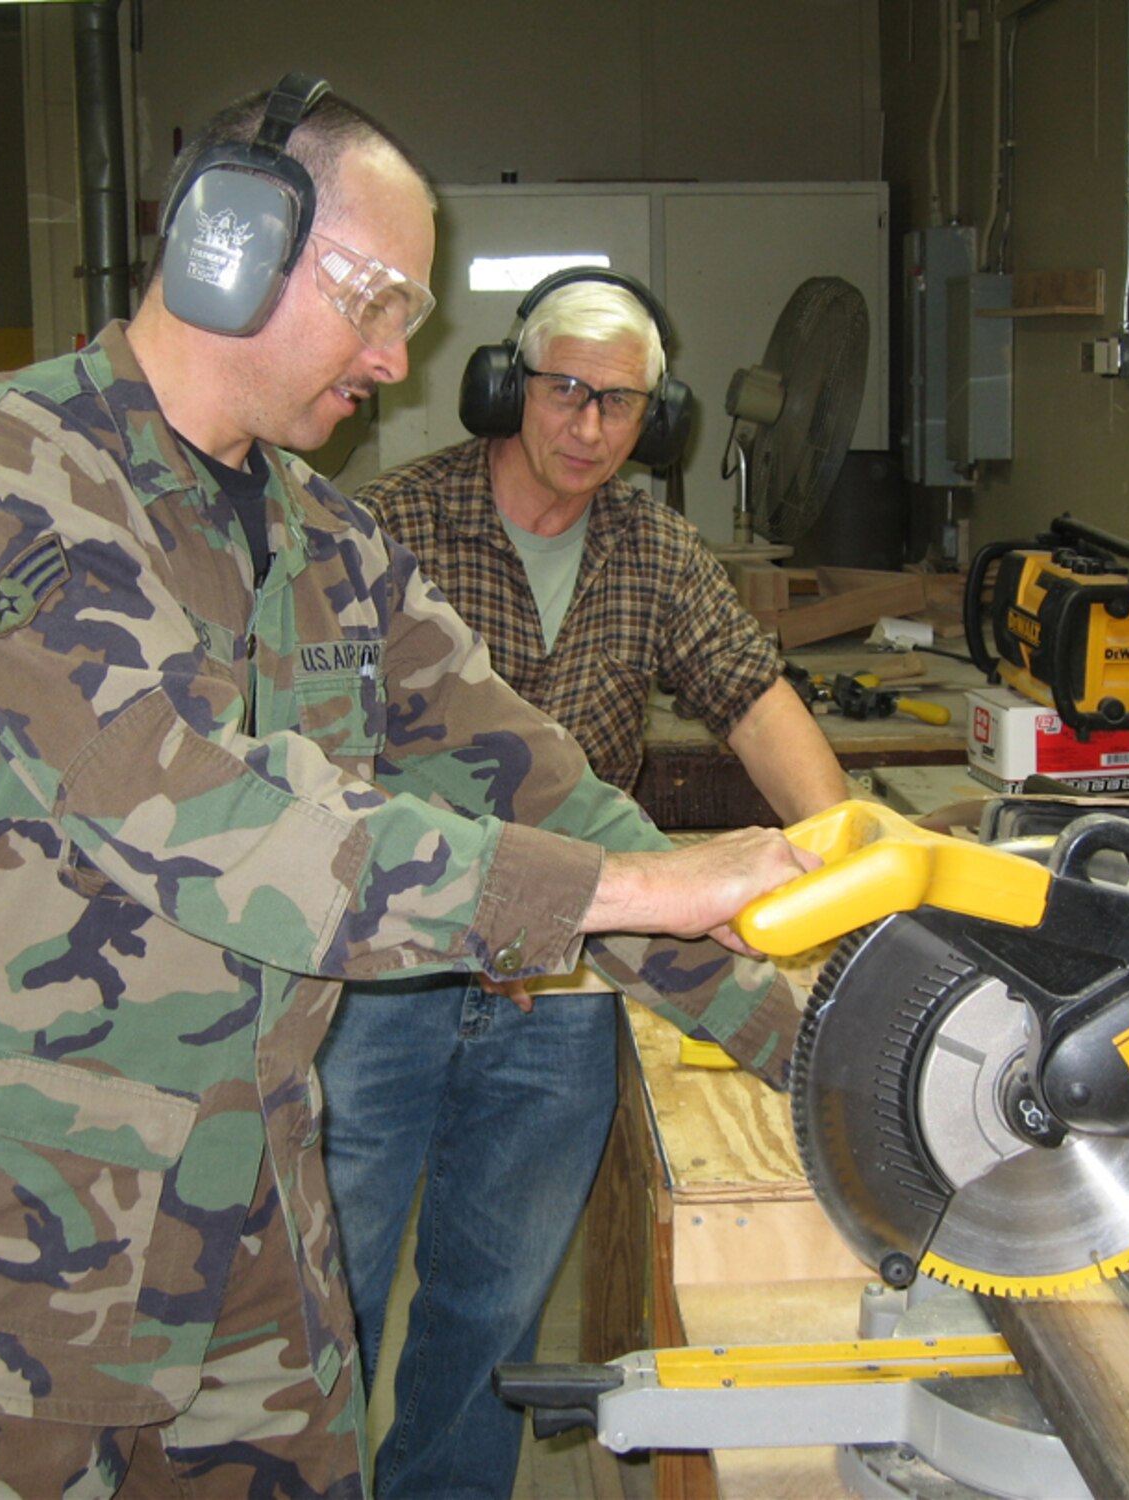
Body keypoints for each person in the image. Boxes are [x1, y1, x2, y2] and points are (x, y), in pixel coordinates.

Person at [0, 76, 817, 1500]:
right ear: (228, 246)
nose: (394, 358)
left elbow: (535, 781)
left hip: (247, 1230)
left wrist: (837, 1053)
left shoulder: (328, 542)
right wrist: (619, 890)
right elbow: (193, 807)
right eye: (375, 302)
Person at [317, 270, 849, 1498]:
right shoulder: (390, 521)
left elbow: (749, 697)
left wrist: (846, 858)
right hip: (393, 972)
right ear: (507, 387)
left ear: (657, 419)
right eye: (564, 391)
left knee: (490, 1302)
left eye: (621, 404)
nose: (588, 426)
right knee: (326, 1289)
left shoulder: (652, 548)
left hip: (568, 978)